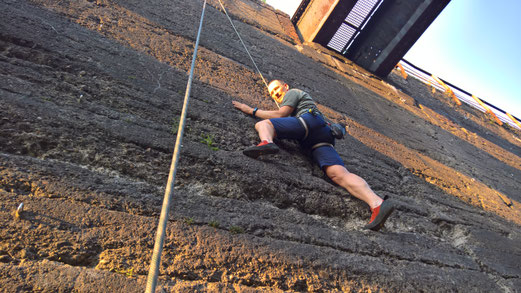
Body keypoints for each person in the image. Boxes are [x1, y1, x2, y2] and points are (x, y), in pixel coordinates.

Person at [232, 80, 394, 231]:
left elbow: (280, 115)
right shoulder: (295, 104)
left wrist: (251, 110)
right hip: (320, 136)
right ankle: (377, 203)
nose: (275, 94)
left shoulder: (293, 92)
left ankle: (266, 142)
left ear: (285, 86)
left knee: (263, 124)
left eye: (276, 89)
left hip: (309, 122)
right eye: (272, 93)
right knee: (338, 174)